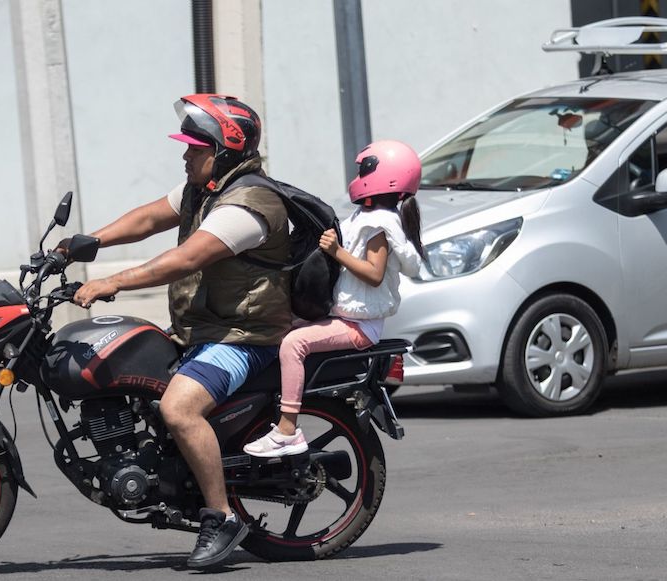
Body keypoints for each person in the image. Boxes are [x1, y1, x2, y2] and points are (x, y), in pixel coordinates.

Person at [70, 94, 291, 569]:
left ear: (225, 149)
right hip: (198, 330)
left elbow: (186, 259)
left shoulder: (249, 202)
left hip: (242, 337)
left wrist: (112, 281)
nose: (185, 154)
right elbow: (149, 218)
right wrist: (86, 244)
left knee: (178, 408)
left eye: (195, 147)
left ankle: (222, 516)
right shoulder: (204, 187)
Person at [242, 140, 426, 458]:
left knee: (293, 344)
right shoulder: (371, 216)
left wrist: (336, 252)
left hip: (360, 327)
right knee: (280, 327)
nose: (358, 173)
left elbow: (373, 273)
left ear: (384, 176)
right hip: (349, 318)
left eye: (364, 168)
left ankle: (287, 430)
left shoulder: (379, 224)